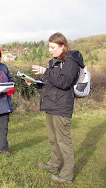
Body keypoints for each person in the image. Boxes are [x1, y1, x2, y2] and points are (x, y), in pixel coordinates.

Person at [27, 32, 84, 184]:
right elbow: (51, 83)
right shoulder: (54, 62)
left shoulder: (71, 62)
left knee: (64, 141)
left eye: (53, 47)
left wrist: (46, 71)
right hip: (51, 105)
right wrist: (35, 83)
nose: (50, 50)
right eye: (49, 47)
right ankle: (53, 165)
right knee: (53, 139)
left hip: (62, 107)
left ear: (62, 46)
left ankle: (66, 175)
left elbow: (64, 82)